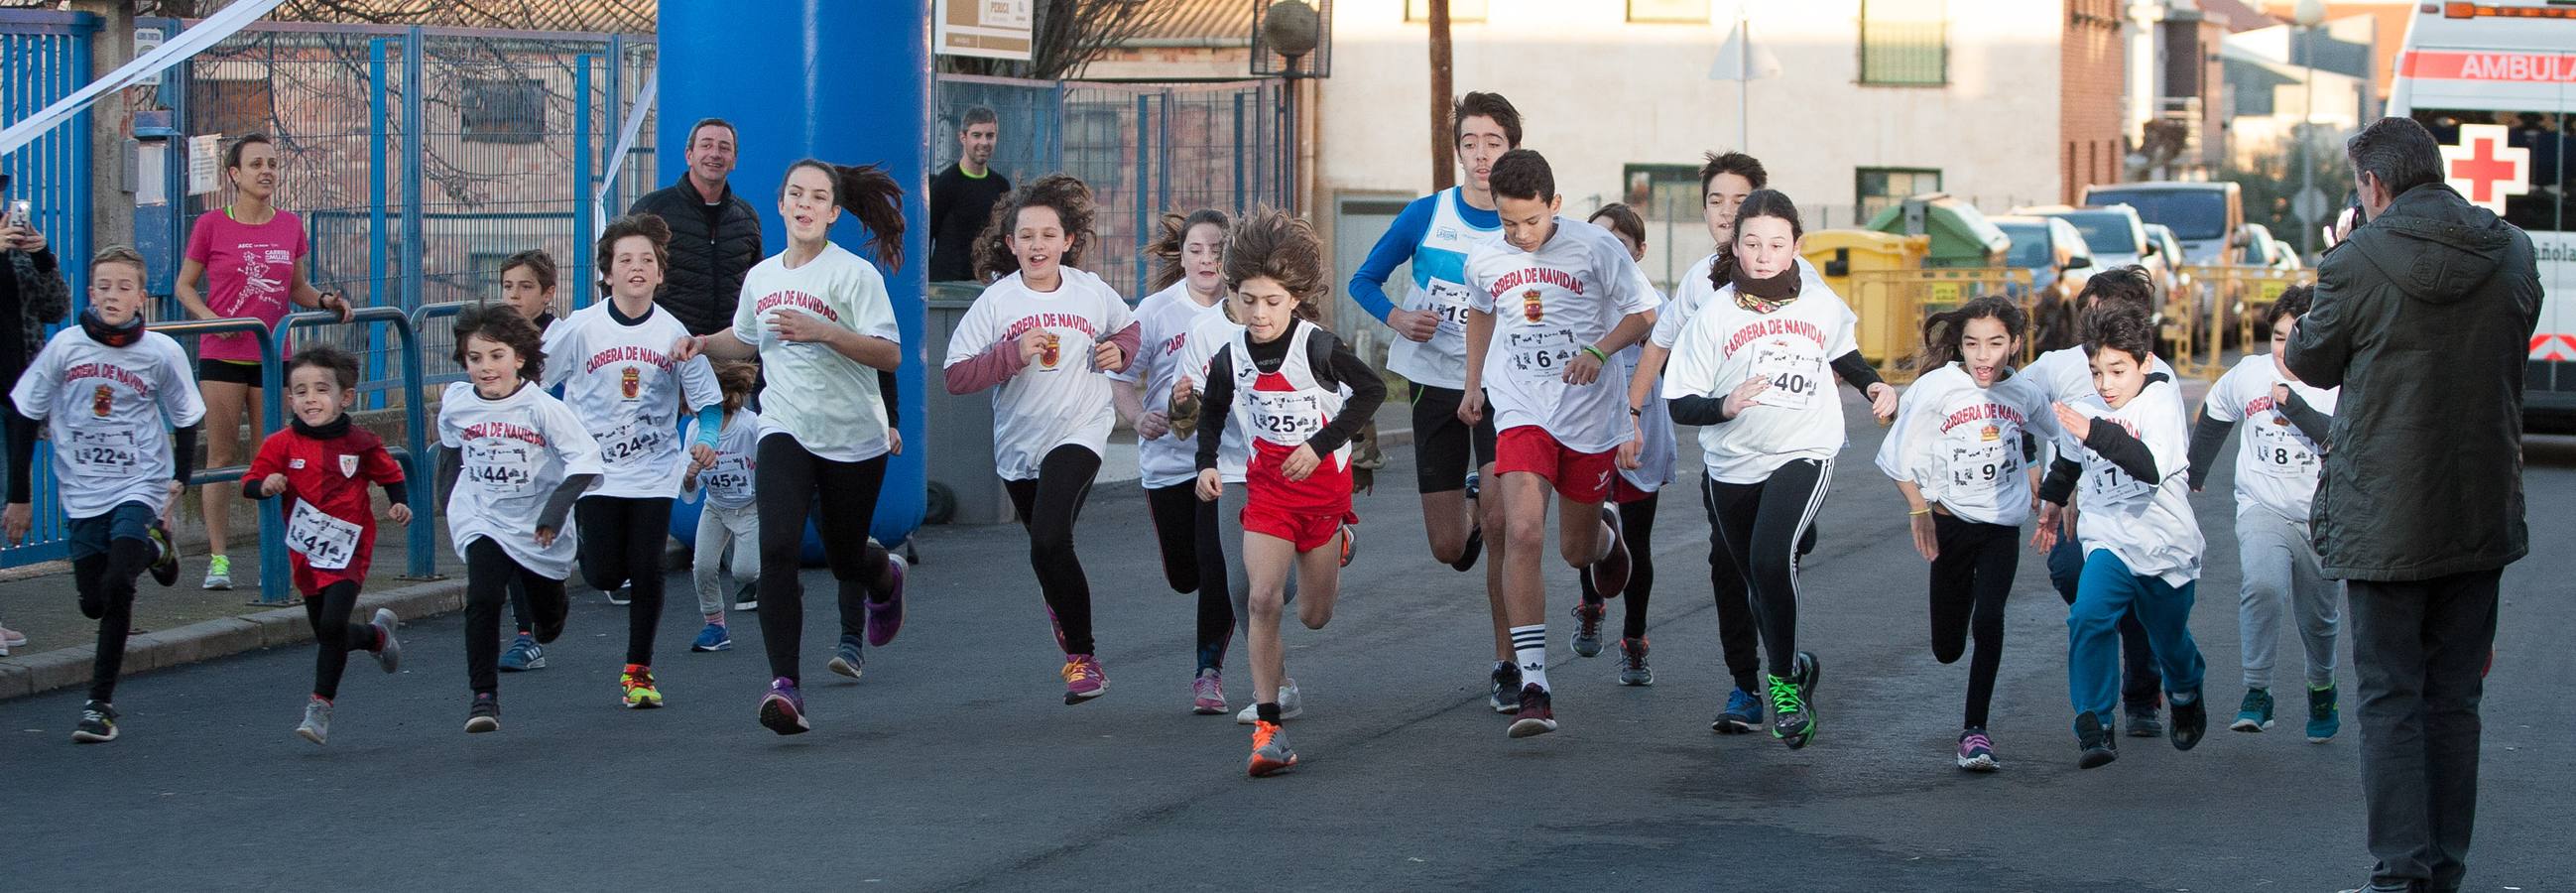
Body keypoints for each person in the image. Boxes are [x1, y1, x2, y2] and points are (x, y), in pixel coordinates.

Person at [2285, 116, 2539, 893]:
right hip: (2478, 509)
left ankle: (2399, 873)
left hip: (2384, 513)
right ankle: (2445, 871)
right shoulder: (2512, 248)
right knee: (2453, 702)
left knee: (2391, 699)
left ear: (2374, 184)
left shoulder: (2355, 259)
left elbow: (2306, 360)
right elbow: (2513, 333)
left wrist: (2338, 256)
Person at [1662, 190, 1899, 750]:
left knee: (1772, 558)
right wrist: (1725, 405)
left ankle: (1784, 682)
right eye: (1752, 243)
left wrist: (1873, 385)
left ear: (1797, 246)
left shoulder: (1819, 304)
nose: (1764, 254)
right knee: (1756, 583)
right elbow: (1679, 403)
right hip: (1732, 463)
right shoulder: (1713, 315)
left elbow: (1845, 353)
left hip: (1804, 448)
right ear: (1736, 249)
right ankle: (1797, 663)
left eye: (1776, 243)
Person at [683, 160, 911, 735]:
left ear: (833, 213)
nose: (805, 205)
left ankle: (884, 575)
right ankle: (786, 686)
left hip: (853, 436)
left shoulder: (854, 276)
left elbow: (890, 355)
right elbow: (745, 338)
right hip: (784, 426)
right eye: (795, 195)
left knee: (843, 556)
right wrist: (699, 343)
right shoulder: (761, 277)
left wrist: (824, 331)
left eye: (818, 197)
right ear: (782, 205)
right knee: (778, 547)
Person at [1457, 149, 1660, 738]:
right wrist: (1474, 383)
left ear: (1556, 205)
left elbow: (1645, 315)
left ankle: (1606, 532)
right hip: (1521, 406)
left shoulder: (1598, 249)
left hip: (1589, 415)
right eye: (1507, 222)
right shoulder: (1487, 257)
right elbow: (1480, 313)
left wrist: (1600, 351)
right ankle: (1535, 686)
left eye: (1531, 221)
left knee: (1576, 551)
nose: (1519, 234)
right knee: (1520, 529)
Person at [1622, 151, 1815, 731]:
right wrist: (1629, 411)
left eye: (1738, 201)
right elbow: (1658, 343)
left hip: (1791, 451)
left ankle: (1786, 664)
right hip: (1728, 456)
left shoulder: (1795, 273)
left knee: (1775, 561)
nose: (1726, 213)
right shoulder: (1701, 280)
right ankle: (1748, 687)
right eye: (1715, 201)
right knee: (1730, 565)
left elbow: (1831, 341)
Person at [1192, 208, 1386, 776]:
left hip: (1322, 493)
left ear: (1295, 299)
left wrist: (1321, 444)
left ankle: (1340, 539)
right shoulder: (1232, 354)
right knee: (1261, 598)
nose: (1259, 313)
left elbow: (1371, 391)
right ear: (1232, 296)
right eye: (1248, 300)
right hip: (1269, 492)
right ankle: (1269, 730)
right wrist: (1206, 464)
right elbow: (1212, 410)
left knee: (1316, 615)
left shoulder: (1318, 348)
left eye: (1272, 302)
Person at [1346, 91, 1519, 712]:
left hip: (1502, 386)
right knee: (1451, 548)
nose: (1480, 156)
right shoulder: (1426, 214)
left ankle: (1509, 664)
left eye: (1493, 143)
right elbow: (1361, 279)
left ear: (1512, 149)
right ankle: (1469, 508)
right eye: (1470, 143)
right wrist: (1396, 315)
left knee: (1504, 526)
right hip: (1431, 383)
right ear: (1457, 151)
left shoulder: (1520, 220)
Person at [944, 174, 1140, 705]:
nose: (1037, 246)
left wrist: (1117, 353)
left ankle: (1083, 659)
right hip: (1019, 445)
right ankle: (1061, 599)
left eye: (1048, 235)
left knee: (1051, 540)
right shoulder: (995, 303)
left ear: (1068, 241)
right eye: (1026, 236)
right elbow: (956, 375)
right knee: (1044, 547)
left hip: (1080, 428)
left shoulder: (1090, 290)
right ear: (1010, 244)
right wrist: (1012, 354)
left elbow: (1129, 330)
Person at [4, 246, 200, 743]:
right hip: (82, 490)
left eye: (124, 288)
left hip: (140, 483)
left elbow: (186, 415)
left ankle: (99, 705)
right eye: (104, 288)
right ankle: (158, 548)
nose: (113, 296)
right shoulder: (65, 348)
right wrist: (20, 495)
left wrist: (180, 477)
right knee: (93, 602)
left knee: (118, 586)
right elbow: (24, 414)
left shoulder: (161, 352)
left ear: (142, 299)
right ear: (90, 294)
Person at [540, 214, 724, 709]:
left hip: (654, 471)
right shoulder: (581, 328)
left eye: (647, 260)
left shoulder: (673, 331)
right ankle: (562, 587)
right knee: (601, 573)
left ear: (660, 274)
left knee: (646, 568)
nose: (636, 268)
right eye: (625, 260)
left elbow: (706, 400)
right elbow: (535, 381)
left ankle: (638, 671)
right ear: (607, 273)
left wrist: (706, 437)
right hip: (595, 472)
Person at [1875, 296, 2053, 771]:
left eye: (1995, 344)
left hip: (2001, 529)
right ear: (1960, 345)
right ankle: (1953, 648)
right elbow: (1895, 457)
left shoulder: (2024, 392)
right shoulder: (1938, 388)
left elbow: (2061, 435)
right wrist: (1919, 510)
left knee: (1990, 619)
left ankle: (1976, 731)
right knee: (1948, 648)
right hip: (1949, 524)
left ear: (2014, 344)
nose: (1983, 355)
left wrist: (2053, 487)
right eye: (1972, 343)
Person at [2032, 302, 2209, 769]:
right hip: (2108, 538)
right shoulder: (2087, 409)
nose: (2106, 385)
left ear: (2144, 363)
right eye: (2096, 372)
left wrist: (2092, 430)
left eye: (2117, 371)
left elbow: (2148, 466)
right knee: (2089, 616)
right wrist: (2052, 500)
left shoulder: (2160, 401)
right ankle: (2094, 720)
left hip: (2164, 546)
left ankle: (2187, 690)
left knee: (2168, 639)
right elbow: (2070, 461)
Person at [174, 133, 353, 591]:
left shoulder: (290, 224)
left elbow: (298, 289)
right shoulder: (212, 224)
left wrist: (328, 300)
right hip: (223, 356)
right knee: (221, 457)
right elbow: (184, 287)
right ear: (235, 174)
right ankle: (218, 560)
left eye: (272, 163)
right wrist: (213, 320)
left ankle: (277, 558)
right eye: (255, 164)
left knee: (272, 459)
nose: (266, 171)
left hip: (275, 357)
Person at [2023, 266, 2175, 738]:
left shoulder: (2158, 375)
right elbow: (2012, 402)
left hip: (2138, 516)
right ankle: (2102, 700)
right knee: (2076, 581)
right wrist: (2038, 470)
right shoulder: (2057, 364)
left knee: (2136, 604)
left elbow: (2157, 460)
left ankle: (2141, 692)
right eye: (2091, 313)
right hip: (2076, 507)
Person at [2186, 285, 2343, 742]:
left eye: (2297, 337)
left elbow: (2339, 439)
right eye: (2277, 337)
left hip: (2323, 514)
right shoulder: (2250, 374)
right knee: (2261, 585)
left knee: (2320, 617)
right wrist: (2195, 472)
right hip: (2262, 505)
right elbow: (2216, 411)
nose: (2284, 349)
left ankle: (2322, 685)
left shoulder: (2339, 381)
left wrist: (2292, 405)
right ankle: (2257, 691)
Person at [436, 307, 601, 733]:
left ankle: (552, 609)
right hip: (484, 516)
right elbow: (451, 450)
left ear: (520, 358)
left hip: (537, 525)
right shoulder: (457, 403)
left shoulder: (542, 408)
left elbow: (584, 462)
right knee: (483, 597)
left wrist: (553, 514)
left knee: (545, 619)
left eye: (496, 356)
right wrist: (447, 499)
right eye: (475, 358)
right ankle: (483, 697)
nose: (486, 368)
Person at [241, 345, 409, 745]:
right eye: (300, 391)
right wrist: (266, 485)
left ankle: (320, 707)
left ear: (344, 397)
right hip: (306, 555)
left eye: (320, 389)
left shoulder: (361, 442)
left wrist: (399, 502)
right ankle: (375, 637)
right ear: (290, 398)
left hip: (350, 549)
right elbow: (251, 481)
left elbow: (390, 475)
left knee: (332, 626)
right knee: (326, 632)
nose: (310, 399)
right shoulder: (280, 444)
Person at [1113, 208, 1244, 713]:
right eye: (1196, 250)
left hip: (1227, 462)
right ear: (1181, 256)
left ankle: (1208, 672)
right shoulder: (1155, 311)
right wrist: (1135, 417)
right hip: (1168, 459)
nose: (1207, 259)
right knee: (1185, 574)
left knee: (1219, 568)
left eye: (1216, 249)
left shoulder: (1247, 306)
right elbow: (1122, 376)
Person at [1571, 203, 1674, 687]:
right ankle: (1590, 602)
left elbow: (1680, 369)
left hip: (1640, 432)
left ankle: (1635, 640)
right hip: (1587, 427)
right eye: (1597, 243)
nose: (1606, 254)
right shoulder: (1575, 299)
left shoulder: (1658, 307)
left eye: (1619, 245)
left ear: (1640, 251)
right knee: (1586, 525)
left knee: (1636, 540)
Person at [2, 198, 71, 655]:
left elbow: (57, 309)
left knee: (8, 499)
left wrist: (42, 256)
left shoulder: (18, 248)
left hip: (17, 391)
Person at [627, 118, 764, 336]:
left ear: (734, 160)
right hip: (666, 351)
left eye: (724, 147)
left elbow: (756, 287)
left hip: (731, 355)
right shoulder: (651, 210)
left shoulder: (746, 218)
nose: (715, 154)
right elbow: (619, 276)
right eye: (706, 145)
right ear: (689, 155)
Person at [494, 249, 560, 672]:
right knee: (514, 541)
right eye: (507, 287)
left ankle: (551, 604)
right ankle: (523, 636)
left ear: (548, 294)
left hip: (560, 457)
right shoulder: (495, 340)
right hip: (515, 456)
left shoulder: (563, 336)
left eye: (525, 287)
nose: (514, 296)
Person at [681, 360, 761, 654]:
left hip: (750, 507)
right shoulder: (694, 431)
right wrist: (690, 476)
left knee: (745, 571)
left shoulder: (749, 425)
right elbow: (690, 487)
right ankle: (715, 625)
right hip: (715, 507)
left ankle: (779, 582)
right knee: (702, 566)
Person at [928, 106, 1012, 283]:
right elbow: (926, 236)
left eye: (990, 135)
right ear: (962, 137)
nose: (984, 142)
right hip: (947, 288)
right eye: (976, 135)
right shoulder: (944, 184)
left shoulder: (1001, 185)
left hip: (986, 284)